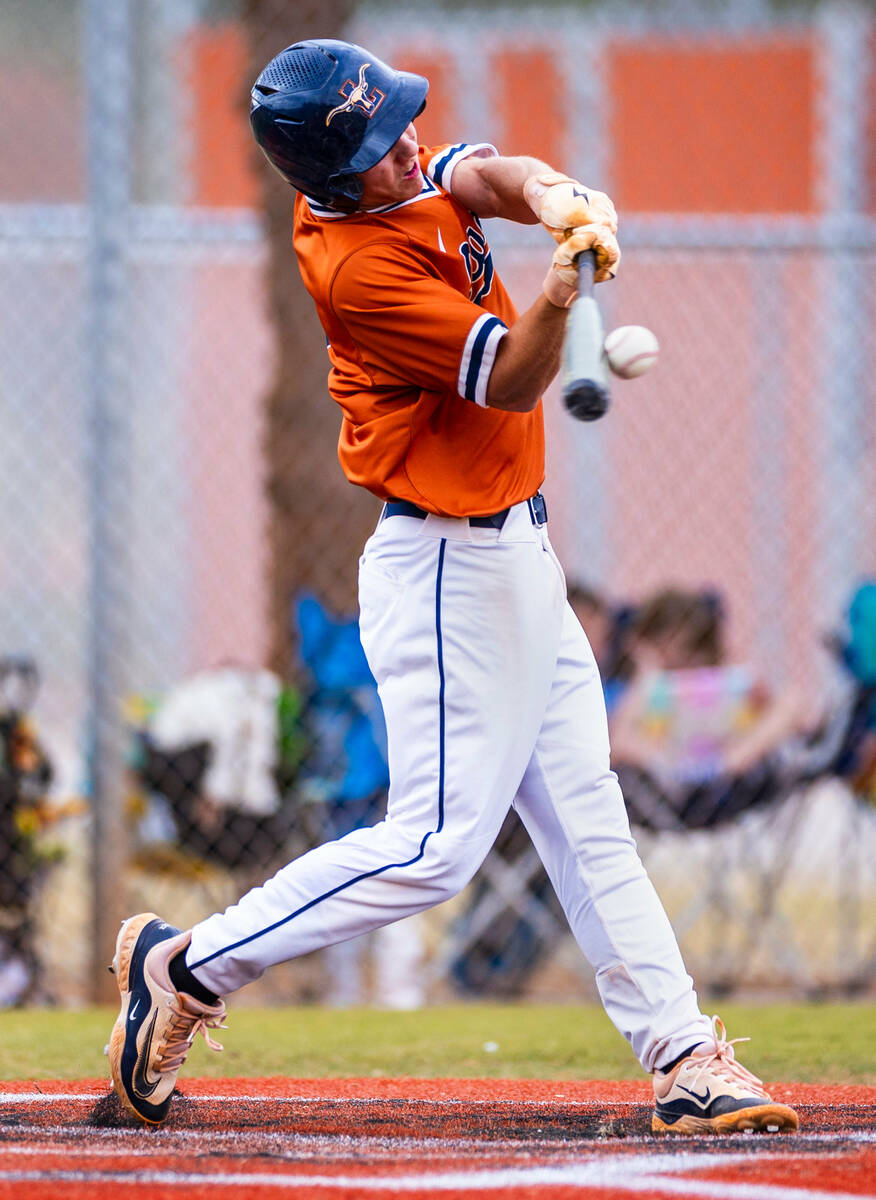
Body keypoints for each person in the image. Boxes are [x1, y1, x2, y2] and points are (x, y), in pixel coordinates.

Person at [106, 38, 798, 1136]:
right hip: (443, 567)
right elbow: (518, 376)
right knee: (435, 849)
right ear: (330, 178)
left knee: (587, 818)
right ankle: (188, 967)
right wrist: (563, 289)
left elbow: (485, 174)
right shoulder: (356, 265)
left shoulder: (398, 169)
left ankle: (682, 1057)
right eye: (379, 148)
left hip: (516, 555)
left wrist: (558, 197)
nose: (407, 149)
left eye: (399, 123)